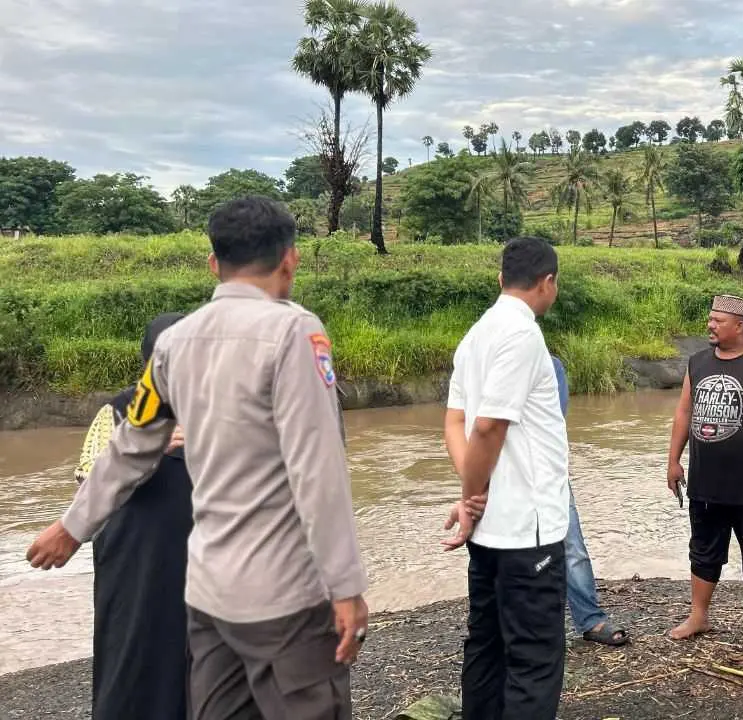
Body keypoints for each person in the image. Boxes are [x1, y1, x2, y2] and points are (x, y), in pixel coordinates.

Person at [27, 195, 370, 720]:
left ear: (214, 263)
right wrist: (346, 587)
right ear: (290, 258)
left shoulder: (173, 344)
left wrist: (71, 527)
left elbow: (130, 445)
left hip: (209, 596)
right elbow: (317, 468)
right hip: (283, 595)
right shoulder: (296, 332)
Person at [441, 236, 571, 720]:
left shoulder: (476, 334)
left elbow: (455, 423)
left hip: (491, 527)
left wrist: (470, 498)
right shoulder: (522, 335)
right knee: (534, 658)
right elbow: (488, 426)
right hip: (526, 529)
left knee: (487, 643)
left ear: (500, 279)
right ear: (549, 282)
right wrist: (472, 494)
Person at [74, 312, 193, 719]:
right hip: (136, 570)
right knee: (133, 664)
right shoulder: (116, 412)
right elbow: (88, 482)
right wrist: (148, 449)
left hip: (204, 566)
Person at [666, 294, 743, 650]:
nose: (710, 325)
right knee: (703, 549)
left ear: (739, 325)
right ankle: (699, 615)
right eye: (710, 319)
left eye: (718, 321)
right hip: (706, 480)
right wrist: (674, 460)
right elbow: (683, 414)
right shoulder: (698, 362)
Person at [552, 354, 630, 646]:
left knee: (571, 547)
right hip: (502, 475)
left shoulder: (551, 366)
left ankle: (590, 618)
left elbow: (551, 421)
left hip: (549, 474)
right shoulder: (485, 360)